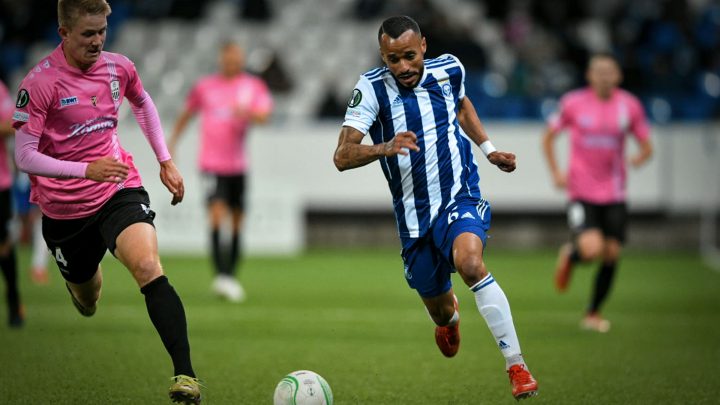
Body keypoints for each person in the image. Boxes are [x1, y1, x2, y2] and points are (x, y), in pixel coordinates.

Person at [333, 16, 539, 400]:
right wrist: (384, 147)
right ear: (383, 56)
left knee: (472, 264)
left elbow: (462, 108)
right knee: (440, 310)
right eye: (393, 60)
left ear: (423, 46)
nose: (404, 67)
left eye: (410, 56)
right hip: (413, 219)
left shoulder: (449, 70)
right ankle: (450, 318)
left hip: (458, 195)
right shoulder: (372, 89)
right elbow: (342, 155)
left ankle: (517, 366)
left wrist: (489, 150)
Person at [12, 1, 201, 402]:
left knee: (149, 266)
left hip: (117, 187)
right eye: (88, 34)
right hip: (64, 211)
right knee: (88, 296)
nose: (97, 41)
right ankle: (79, 285)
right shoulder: (40, 83)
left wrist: (164, 160)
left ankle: (186, 376)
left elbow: (143, 102)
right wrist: (84, 170)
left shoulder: (119, 67)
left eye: (102, 31)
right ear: (63, 34)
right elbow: (24, 156)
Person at [542, 53, 653, 333]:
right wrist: (556, 171)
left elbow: (646, 144)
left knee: (612, 253)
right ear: (589, 76)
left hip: (615, 192)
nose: (604, 76)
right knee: (592, 250)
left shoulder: (630, 106)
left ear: (618, 76)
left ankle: (593, 313)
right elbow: (549, 136)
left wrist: (641, 157)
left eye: (609, 71)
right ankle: (573, 255)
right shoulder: (573, 103)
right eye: (598, 71)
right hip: (581, 190)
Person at [169, 41, 272, 303]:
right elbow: (187, 113)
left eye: (236, 59)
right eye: (227, 59)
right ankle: (222, 276)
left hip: (238, 166)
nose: (231, 63)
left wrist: (246, 112)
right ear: (221, 60)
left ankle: (230, 276)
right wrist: (171, 143)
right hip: (211, 165)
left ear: (241, 60)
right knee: (216, 215)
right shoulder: (205, 87)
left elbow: (265, 116)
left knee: (237, 220)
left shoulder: (252, 86)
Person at [0, 79, 23, 328]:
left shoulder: (0, 89)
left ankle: (14, 302)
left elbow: (13, 122)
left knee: (3, 245)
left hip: (0, 183)